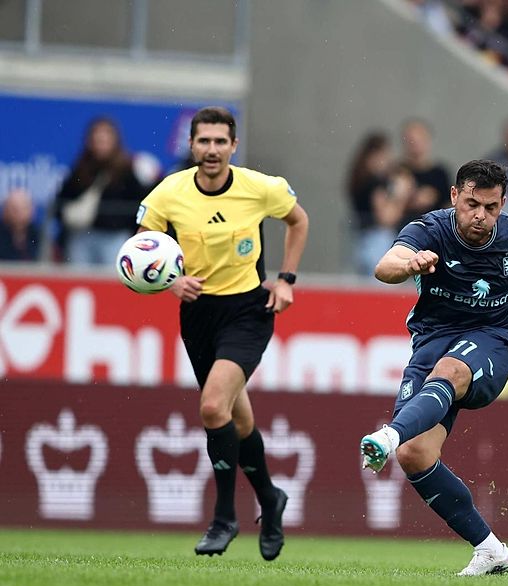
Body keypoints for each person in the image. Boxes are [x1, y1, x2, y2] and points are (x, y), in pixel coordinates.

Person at [358, 159, 508, 576]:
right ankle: (490, 548)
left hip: (492, 340)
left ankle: (389, 435)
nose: (480, 216)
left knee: (451, 371)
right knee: (415, 454)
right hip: (431, 340)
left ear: (503, 204)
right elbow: (384, 265)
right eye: (471, 204)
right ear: (454, 197)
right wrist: (410, 264)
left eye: (491, 207)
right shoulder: (429, 230)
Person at [136, 106, 309, 560]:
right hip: (198, 315)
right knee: (240, 420)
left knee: (213, 407)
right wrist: (170, 281)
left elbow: (298, 221)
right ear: (191, 146)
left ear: (233, 146)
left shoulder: (260, 188)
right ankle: (270, 499)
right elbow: (141, 247)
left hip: (248, 310)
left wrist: (287, 280)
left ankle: (224, 518)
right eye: (203, 141)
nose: (211, 150)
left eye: (220, 142)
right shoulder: (169, 193)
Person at [55, 117, 148, 265]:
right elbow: (61, 200)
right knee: (79, 280)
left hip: (114, 236)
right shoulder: (81, 168)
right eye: (97, 140)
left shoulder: (126, 169)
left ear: (115, 142)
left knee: (113, 280)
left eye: (105, 140)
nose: (101, 145)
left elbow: (139, 204)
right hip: (82, 236)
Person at [345, 132, 414, 275]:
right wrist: (401, 194)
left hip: (361, 242)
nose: (387, 161)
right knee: (380, 287)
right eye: (385, 155)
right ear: (374, 155)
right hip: (377, 242)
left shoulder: (360, 179)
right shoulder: (375, 183)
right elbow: (386, 219)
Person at [398, 119, 451, 224]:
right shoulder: (398, 171)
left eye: (419, 140)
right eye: (411, 141)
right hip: (403, 226)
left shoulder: (440, 173)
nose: (415, 145)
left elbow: (449, 205)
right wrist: (410, 201)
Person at [0, 189, 40, 261]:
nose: (18, 213)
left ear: (32, 210)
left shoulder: (40, 236)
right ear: (5, 211)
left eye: (23, 208)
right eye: (14, 209)